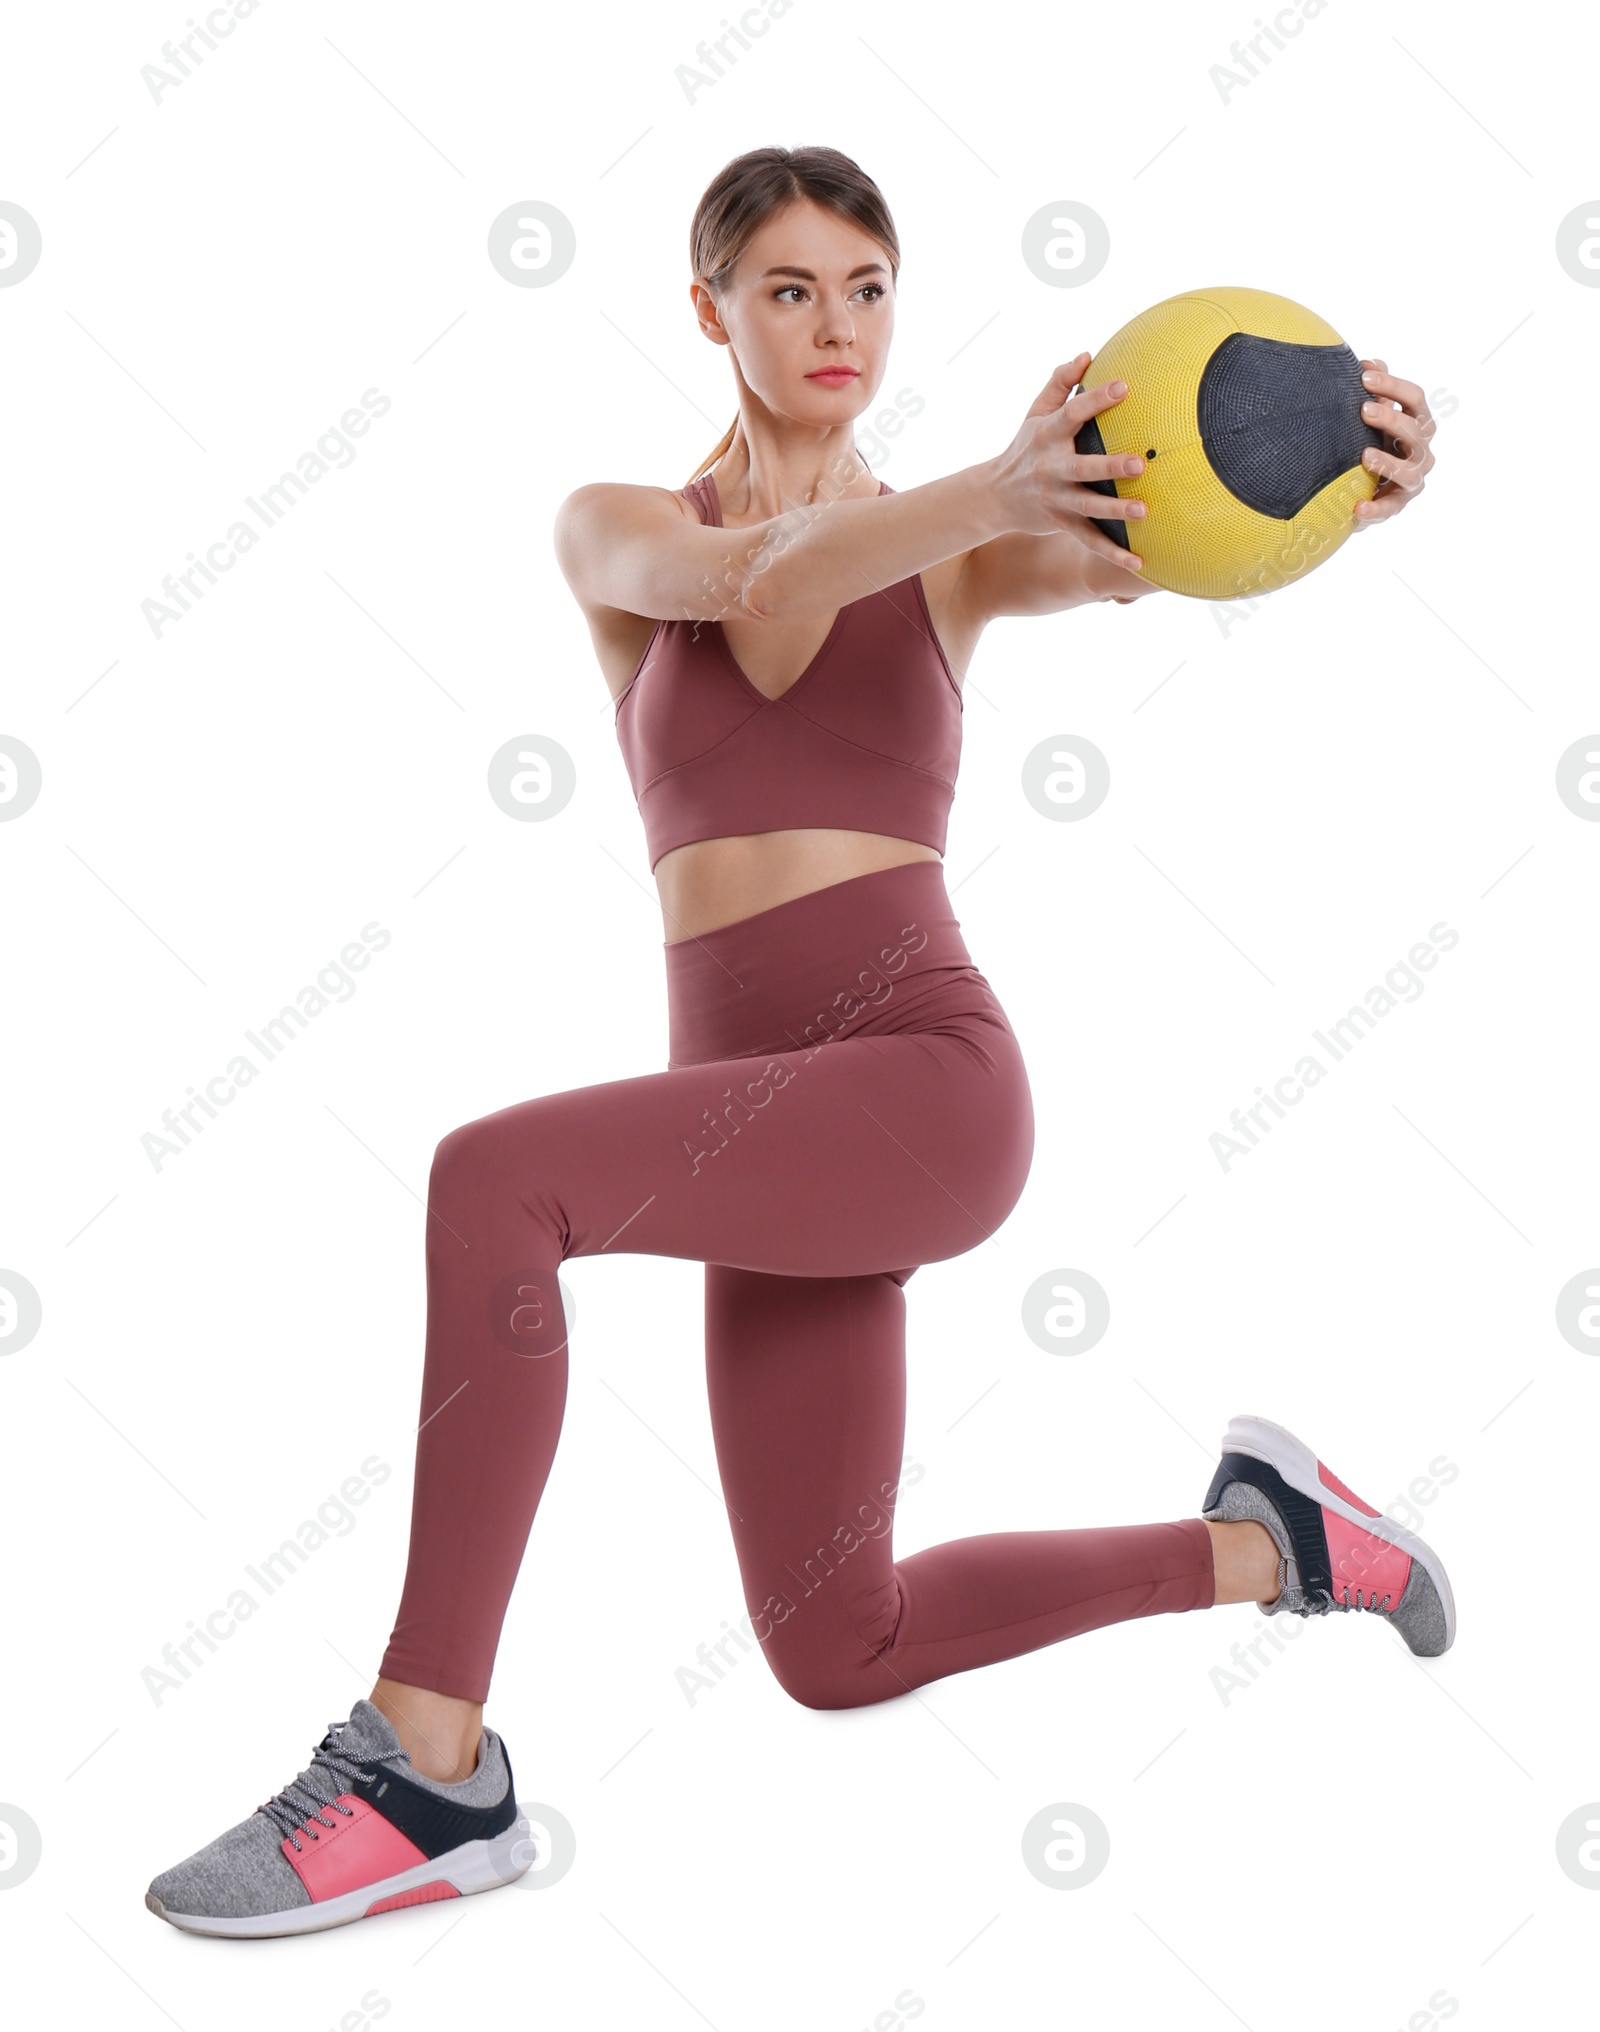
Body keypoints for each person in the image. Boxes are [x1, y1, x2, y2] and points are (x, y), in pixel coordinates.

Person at [146, 145, 1448, 1940]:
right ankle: (1281, 1542)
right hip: (761, 1134)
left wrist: (1335, 476)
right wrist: (989, 486)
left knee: (493, 1181)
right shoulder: (621, 531)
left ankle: (421, 1763)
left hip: (923, 1084)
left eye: (867, 288)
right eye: (789, 290)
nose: (836, 324)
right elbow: (760, 577)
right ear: (711, 311)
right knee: (841, 1644)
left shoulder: (975, 552)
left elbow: (1159, 553)